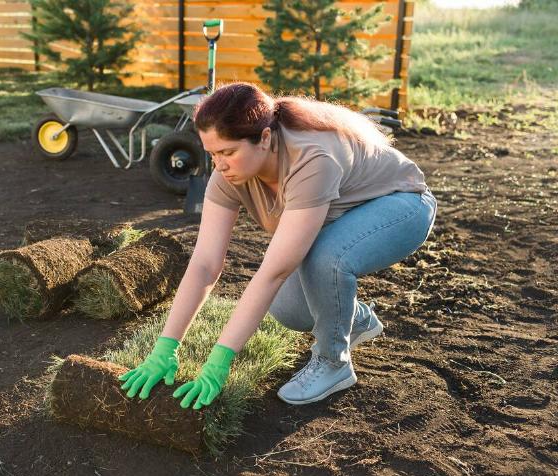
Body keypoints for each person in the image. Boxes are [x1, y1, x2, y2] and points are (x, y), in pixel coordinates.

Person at [119, 82, 437, 409]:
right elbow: (204, 264)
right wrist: (166, 348)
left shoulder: (311, 158)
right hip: (342, 221)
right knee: (288, 309)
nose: (220, 164)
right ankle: (354, 318)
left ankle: (333, 361)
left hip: (401, 206)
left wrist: (219, 362)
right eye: (212, 153)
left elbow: (275, 271)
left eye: (228, 152)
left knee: (325, 260)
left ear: (266, 139)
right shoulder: (227, 177)